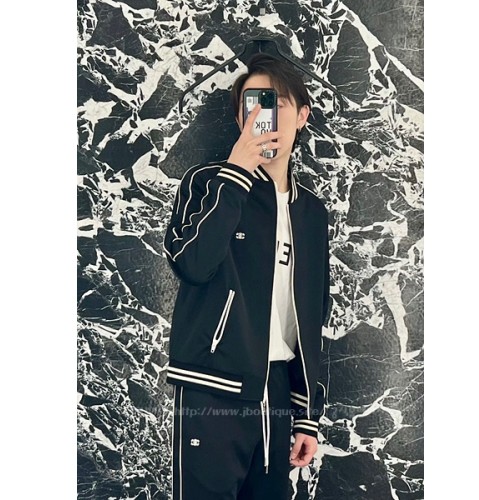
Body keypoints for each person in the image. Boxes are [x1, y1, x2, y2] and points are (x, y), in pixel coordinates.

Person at [163, 53, 331, 500]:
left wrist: (306, 414)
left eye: (275, 104)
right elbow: (192, 264)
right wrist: (236, 172)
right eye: (253, 105)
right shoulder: (206, 183)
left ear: (302, 116)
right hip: (212, 387)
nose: (263, 116)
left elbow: (313, 315)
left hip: (277, 396)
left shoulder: (312, 213)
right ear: (240, 118)